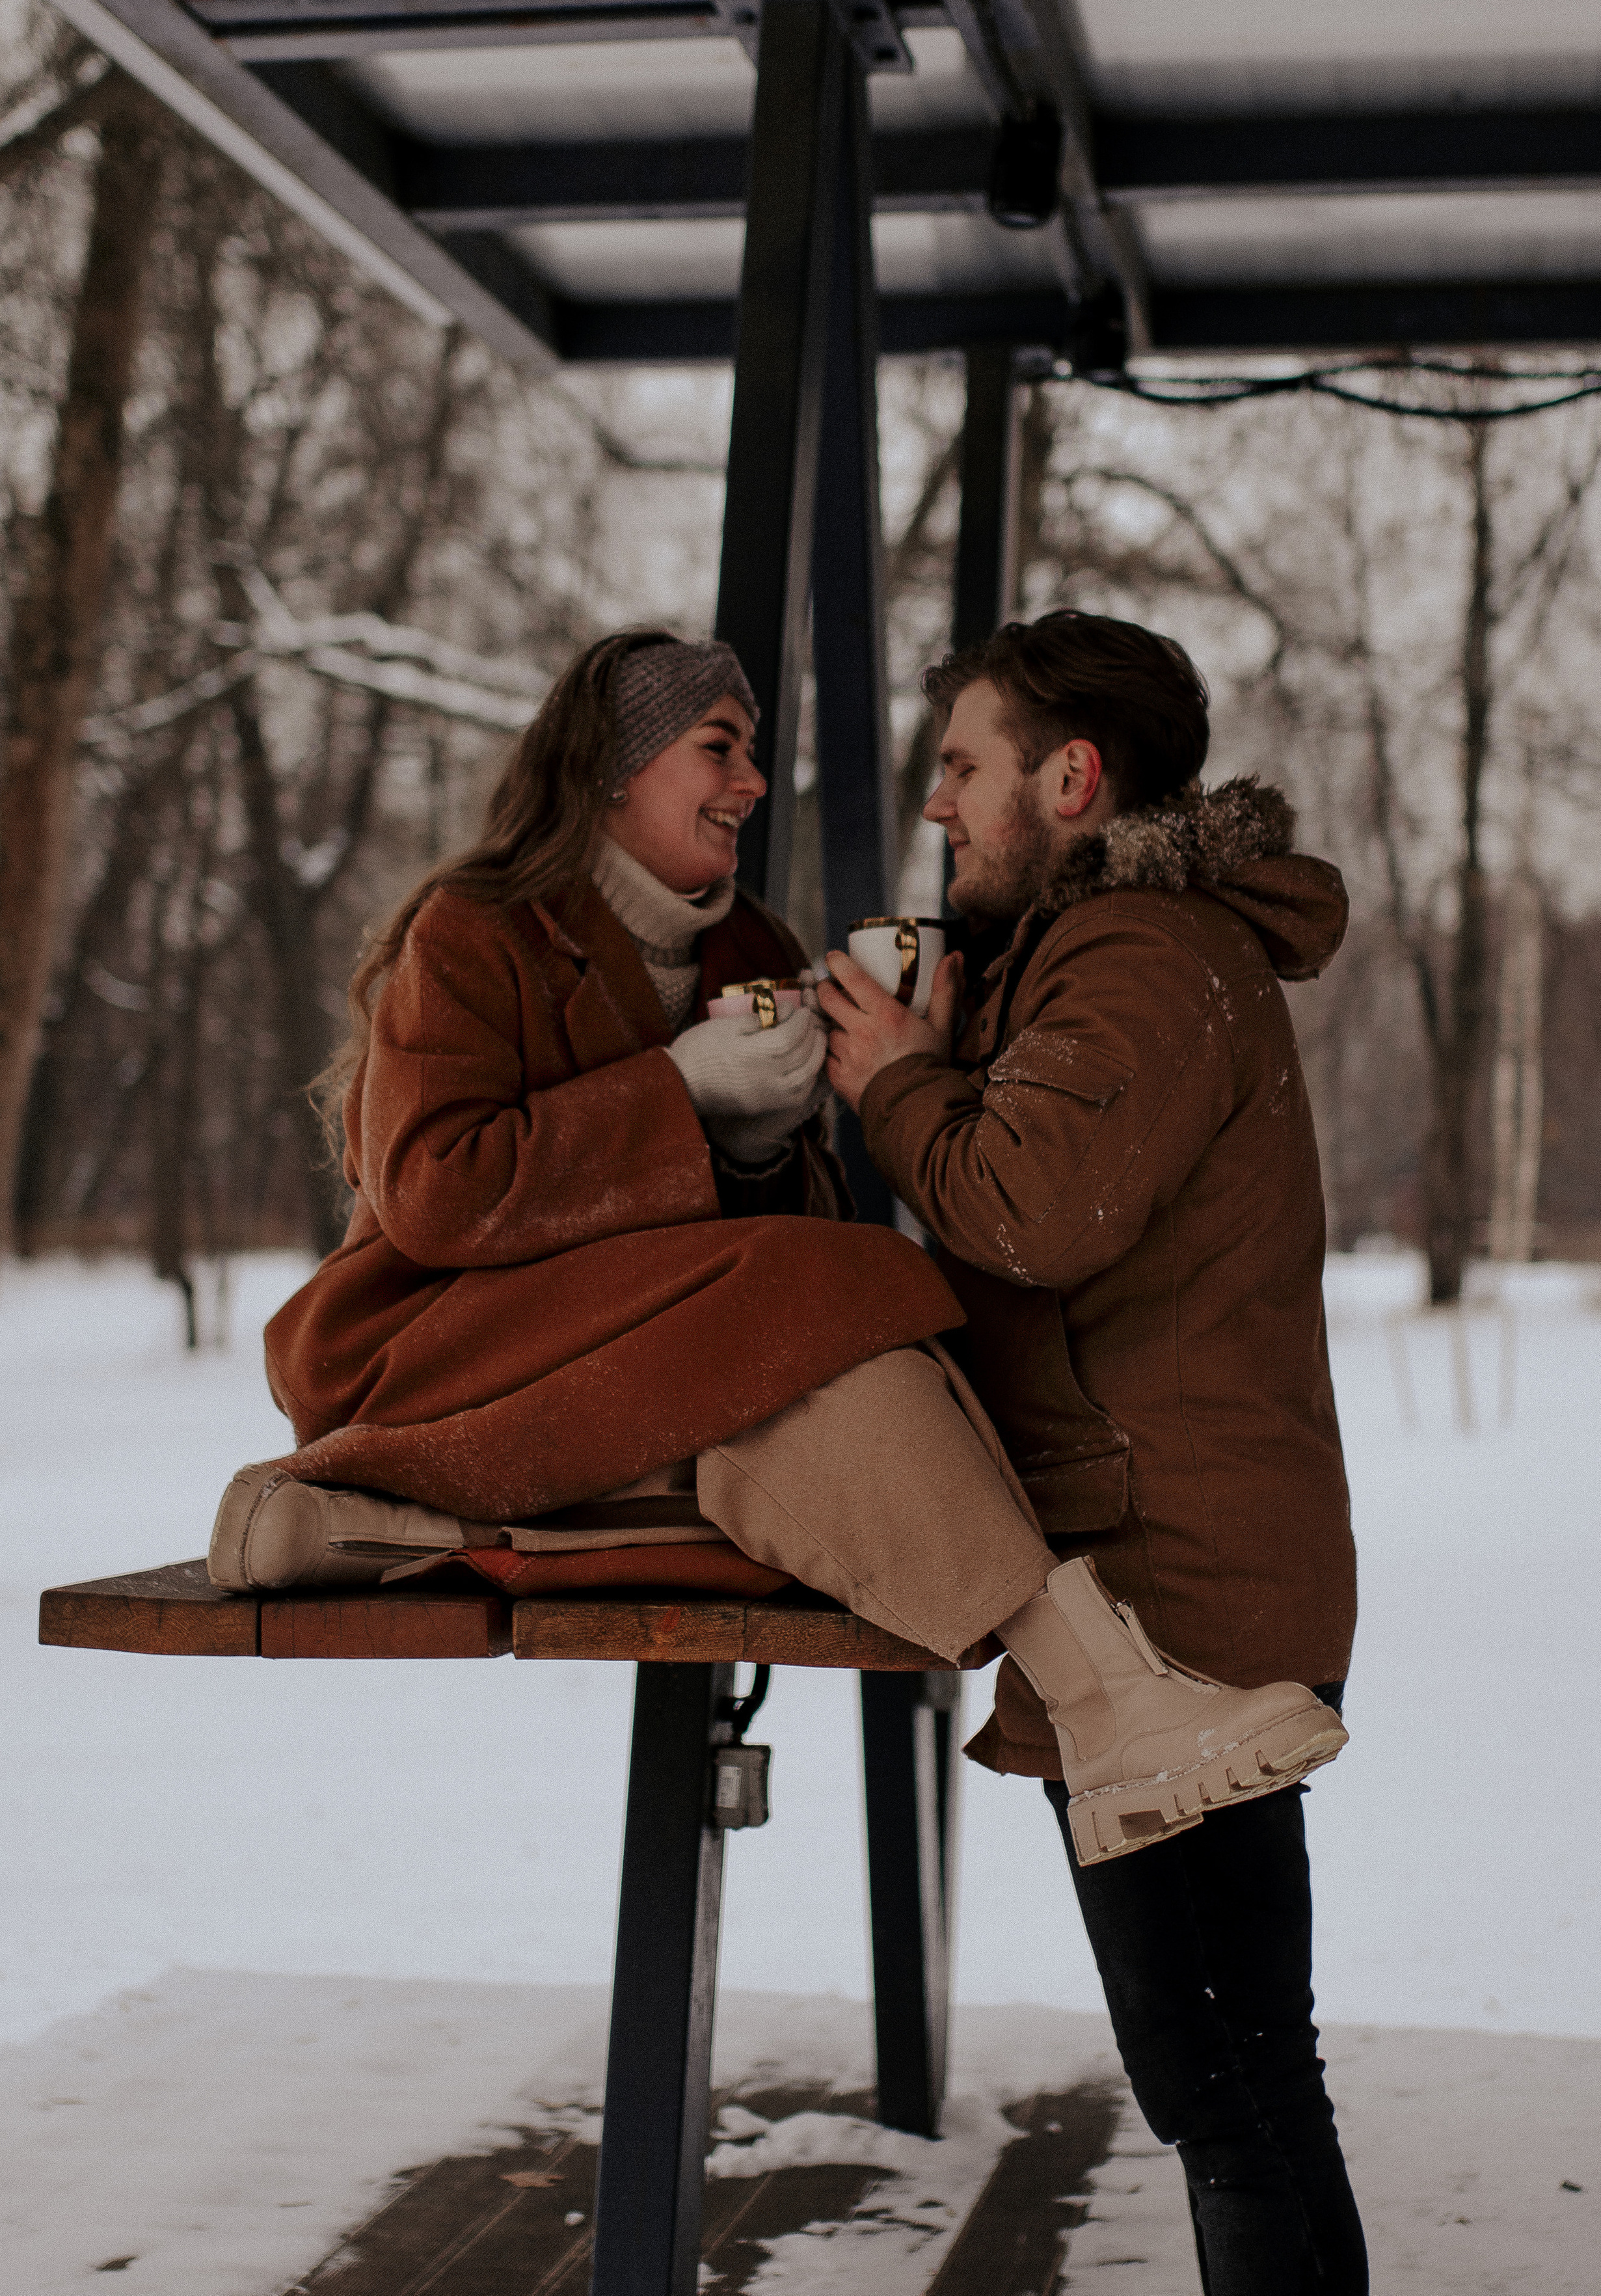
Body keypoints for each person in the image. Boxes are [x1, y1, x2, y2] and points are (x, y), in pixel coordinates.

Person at [208, 625, 1341, 1869]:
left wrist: (760, 1146)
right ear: (613, 767)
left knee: (819, 1370)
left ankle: (377, 1529)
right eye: (720, 748)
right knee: (836, 1302)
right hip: (441, 1349)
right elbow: (433, 1192)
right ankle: (1110, 1697)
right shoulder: (475, 933)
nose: (752, 781)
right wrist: (676, 1093)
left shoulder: (750, 951)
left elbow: (788, 1227)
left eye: (752, 752)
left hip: (640, 1376)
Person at [817, 611, 1367, 2296]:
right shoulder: (1118, 950)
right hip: (1171, 1569)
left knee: (1227, 2092)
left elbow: (1030, 1212)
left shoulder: (1137, 953)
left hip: (1170, 1597)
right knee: (1245, 2078)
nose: (937, 803)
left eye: (962, 767)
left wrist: (898, 1083)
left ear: (1069, 778)